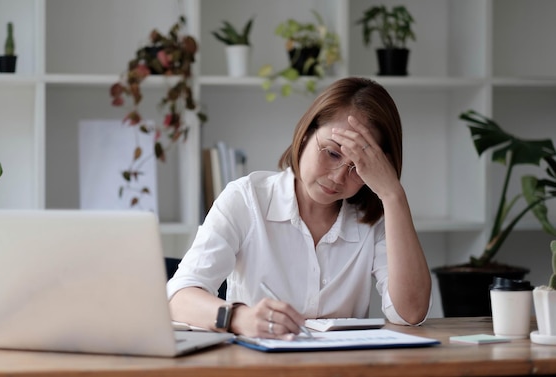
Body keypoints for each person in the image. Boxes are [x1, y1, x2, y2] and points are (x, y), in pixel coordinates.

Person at [167, 77, 431, 339]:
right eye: (332, 153)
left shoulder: (376, 218)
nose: (338, 177)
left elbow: (410, 313)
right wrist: (238, 317)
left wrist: (393, 194)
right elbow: (179, 297)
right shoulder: (247, 199)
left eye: (358, 167)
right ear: (305, 136)